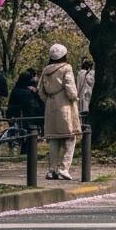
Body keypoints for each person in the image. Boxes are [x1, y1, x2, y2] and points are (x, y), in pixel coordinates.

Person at [38, 43, 82, 180]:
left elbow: (40, 90)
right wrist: (74, 97)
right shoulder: (66, 68)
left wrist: (48, 100)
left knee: (53, 139)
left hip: (50, 106)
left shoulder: (46, 70)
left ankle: (52, 170)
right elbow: (70, 88)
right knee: (70, 137)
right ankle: (64, 168)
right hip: (65, 106)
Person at [7, 70, 44, 152]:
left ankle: (16, 149)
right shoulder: (29, 92)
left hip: (16, 116)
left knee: (19, 134)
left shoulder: (15, 89)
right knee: (28, 135)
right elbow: (38, 103)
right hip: (28, 116)